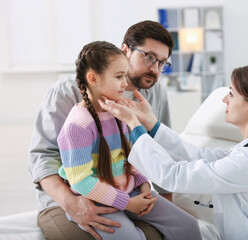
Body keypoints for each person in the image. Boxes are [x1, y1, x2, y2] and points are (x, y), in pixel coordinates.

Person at [99, 63, 248, 240]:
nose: (225, 99)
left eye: (231, 94)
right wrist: (150, 122)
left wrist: (134, 126)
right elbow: (200, 156)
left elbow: (173, 176)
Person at [28, 20, 174, 240]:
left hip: (125, 191)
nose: (154, 69)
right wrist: (71, 203)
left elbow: (160, 151)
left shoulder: (155, 94)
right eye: (149, 57)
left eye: (162, 63)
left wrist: (165, 207)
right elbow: (42, 155)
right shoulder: (66, 92)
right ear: (125, 50)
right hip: (70, 197)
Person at [57, 40, 201, 240]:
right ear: (93, 78)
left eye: (125, 75)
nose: (125, 83)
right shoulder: (78, 125)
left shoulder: (119, 112)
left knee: (187, 225)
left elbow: (130, 157)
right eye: (118, 76)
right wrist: (127, 203)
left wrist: (142, 183)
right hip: (96, 200)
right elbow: (81, 181)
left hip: (129, 191)